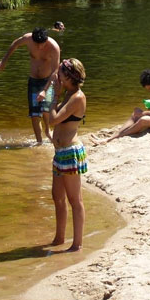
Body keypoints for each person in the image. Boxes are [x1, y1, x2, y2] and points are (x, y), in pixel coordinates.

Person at [45, 58, 88, 252]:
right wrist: (54, 94)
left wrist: (54, 95)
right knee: (57, 197)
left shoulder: (77, 97)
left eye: (61, 73)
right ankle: (59, 238)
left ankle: (77, 244)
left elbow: (54, 119)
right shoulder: (68, 94)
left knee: (74, 200)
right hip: (60, 153)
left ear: (69, 76)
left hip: (70, 152)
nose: (57, 76)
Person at [0, 27, 61, 145]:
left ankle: (47, 130)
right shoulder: (28, 39)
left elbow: (55, 71)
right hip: (33, 80)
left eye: (42, 44)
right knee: (34, 114)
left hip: (48, 80)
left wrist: (45, 90)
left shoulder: (54, 47)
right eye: (37, 45)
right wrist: (4, 60)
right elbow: (14, 44)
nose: (40, 47)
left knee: (46, 110)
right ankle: (39, 142)